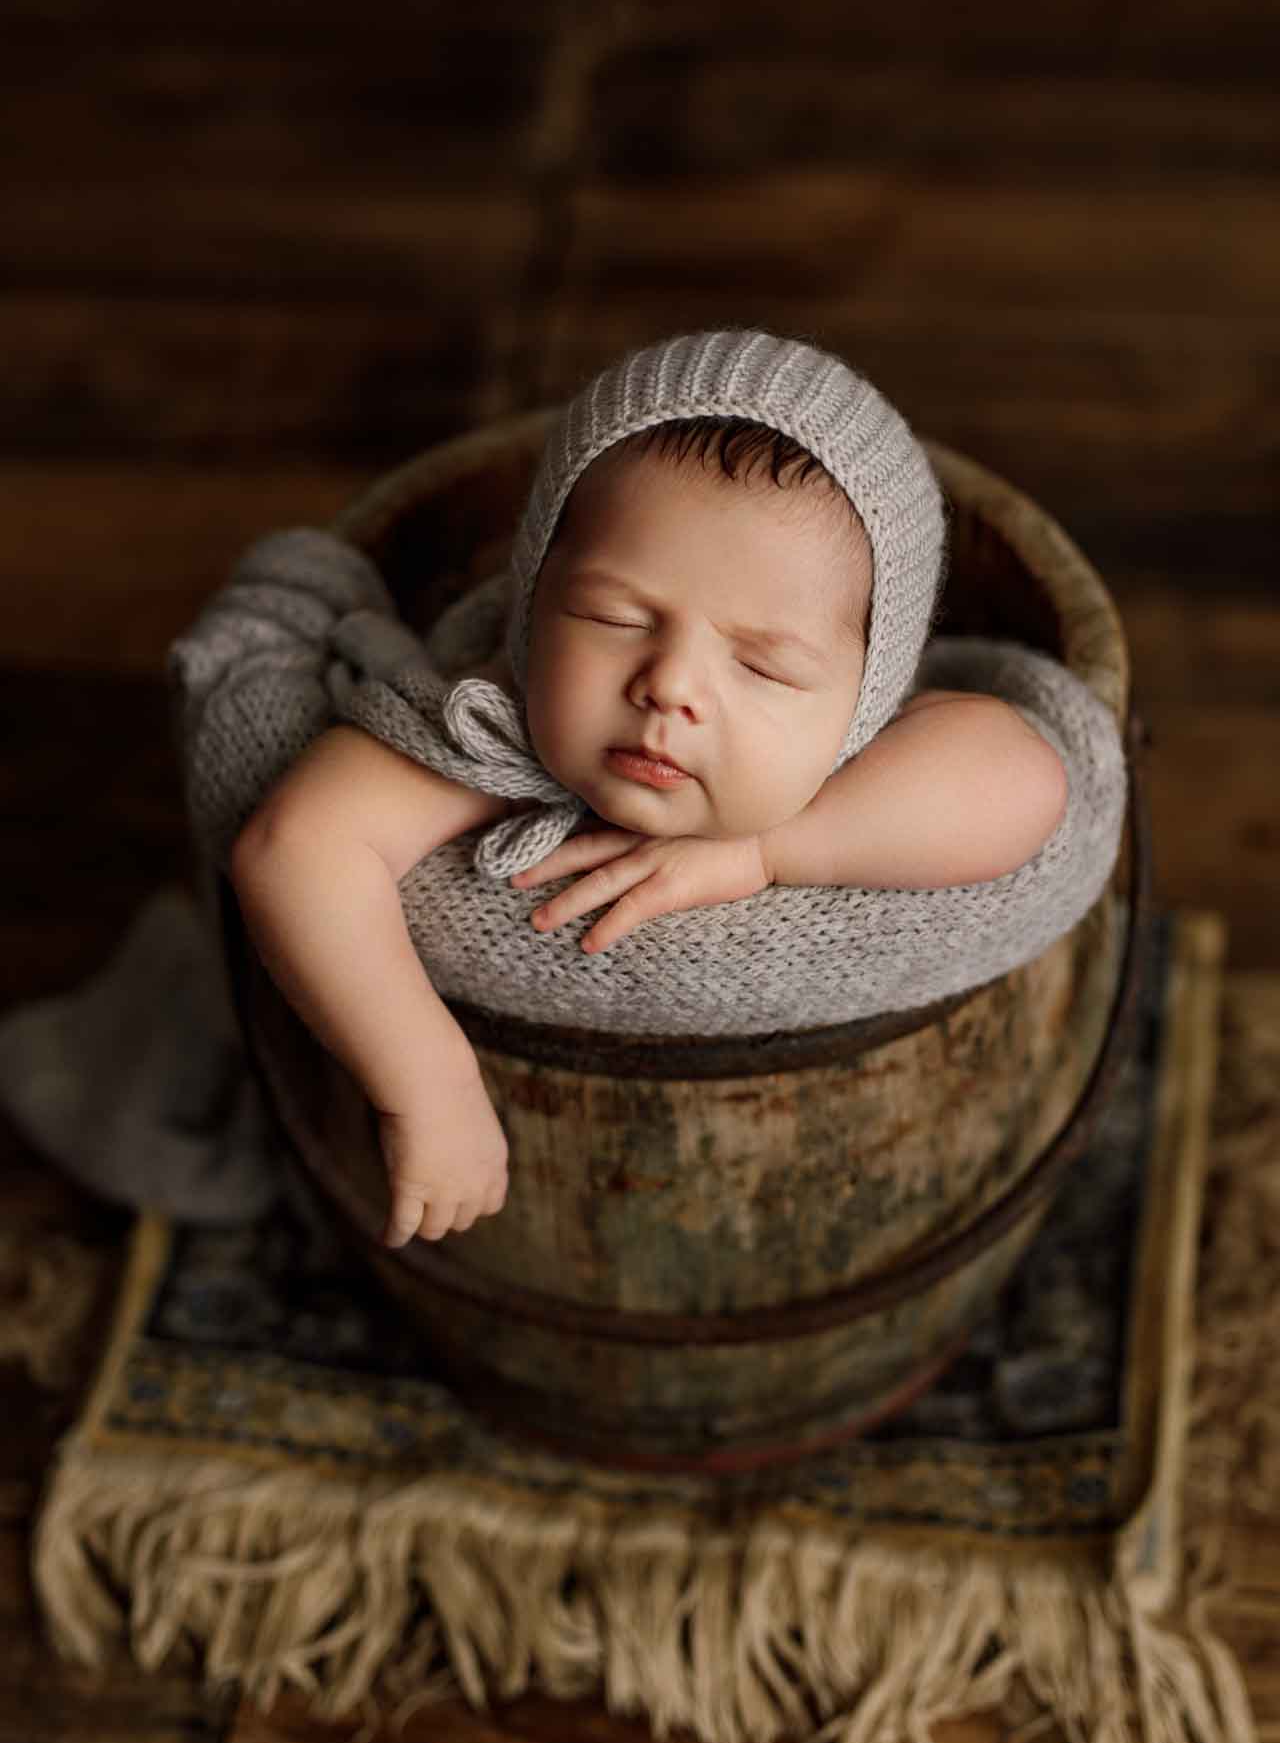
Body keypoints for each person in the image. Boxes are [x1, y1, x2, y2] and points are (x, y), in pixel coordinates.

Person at [228, 331, 1074, 1253]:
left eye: (763, 666)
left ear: (866, 697)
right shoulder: (488, 716)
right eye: (613, 617)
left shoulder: (865, 750)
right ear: (533, 595)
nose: (671, 685)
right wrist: (429, 1083)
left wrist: (765, 850)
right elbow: (295, 846)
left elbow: (1027, 779)